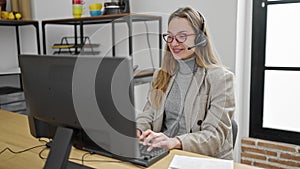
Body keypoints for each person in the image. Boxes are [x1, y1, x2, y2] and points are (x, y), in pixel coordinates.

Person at [136, 6, 235, 160]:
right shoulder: (161, 75)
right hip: (164, 154)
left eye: (182, 36)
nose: (173, 43)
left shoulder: (221, 78)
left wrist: (175, 142)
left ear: (200, 39)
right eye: (169, 36)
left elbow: (214, 136)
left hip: (201, 159)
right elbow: (149, 113)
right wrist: (138, 130)